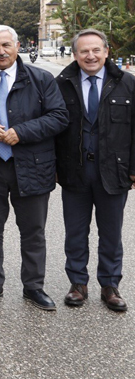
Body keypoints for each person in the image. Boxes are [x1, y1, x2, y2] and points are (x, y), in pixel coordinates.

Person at [0, 25, 68, 310]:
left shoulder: (41, 79)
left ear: (17, 46)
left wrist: (22, 131)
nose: (0, 51)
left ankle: (34, 287)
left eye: (5, 45)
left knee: (33, 231)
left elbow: (60, 117)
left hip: (32, 166)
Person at [54, 29, 135, 312]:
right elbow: (52, 129)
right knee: (75, 232)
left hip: (114, 172)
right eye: (84, 51)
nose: (91, 56)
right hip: (74, 171)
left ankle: (110, 286)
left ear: (106, 51)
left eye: (96, 50)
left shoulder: (127, 84)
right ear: (75, 54)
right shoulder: (61, 83)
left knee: (111, 233)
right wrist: (52, 167)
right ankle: (78, 284)